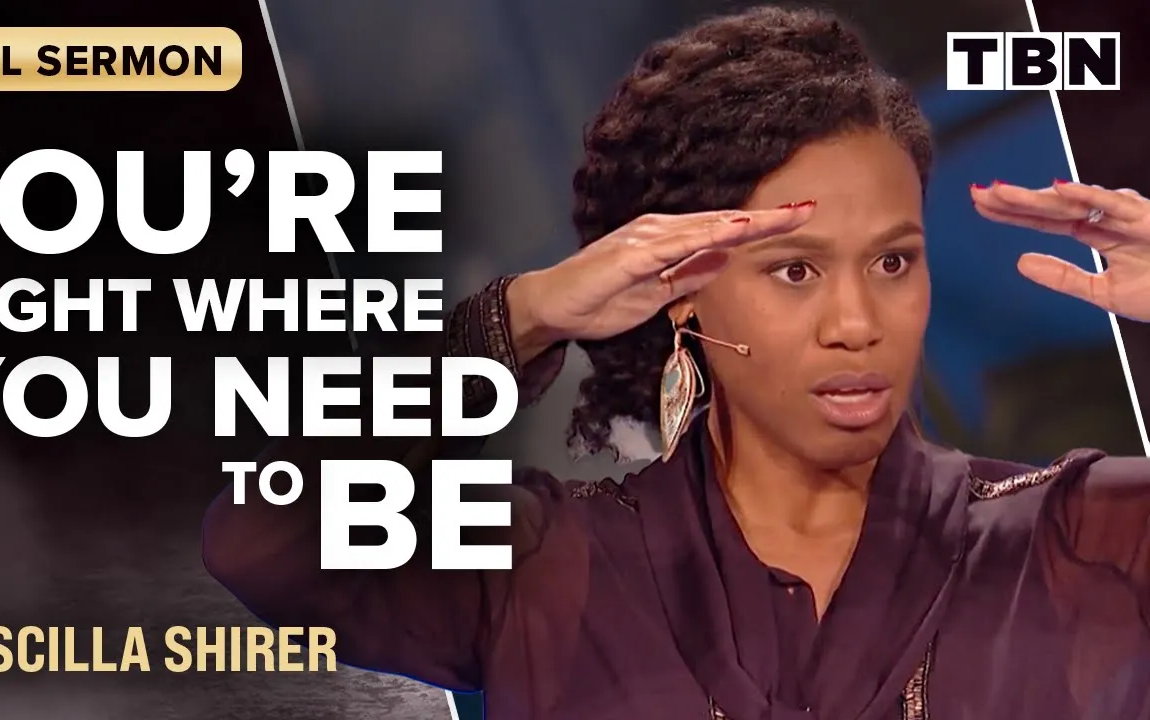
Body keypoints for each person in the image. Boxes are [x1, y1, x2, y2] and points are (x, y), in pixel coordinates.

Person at [202, 7, 1150, 719]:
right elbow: (266, 539)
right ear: (685, 290)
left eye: (893, 262)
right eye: (795, 271)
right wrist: (520, 318)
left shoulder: (1079, 537)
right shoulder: (548, 568)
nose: (859, 323)